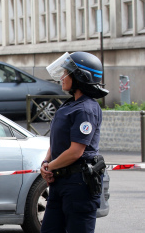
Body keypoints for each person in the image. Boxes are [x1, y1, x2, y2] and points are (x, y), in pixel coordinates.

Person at [40, 51, 109, 233]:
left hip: (78, 184)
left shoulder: (86, 109)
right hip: (60, 181)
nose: (62, 77)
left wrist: (50, 167)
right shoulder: (70, 105)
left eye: (66, 73)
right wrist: (47, 163)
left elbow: (76, 151)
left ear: (79, 77)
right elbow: (57, 141)